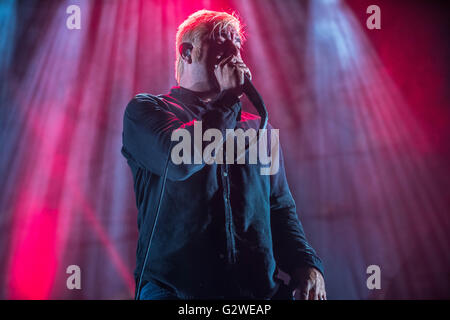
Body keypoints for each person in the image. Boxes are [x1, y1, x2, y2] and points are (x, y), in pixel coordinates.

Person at [121, 9, 326, 300]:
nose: (234, 57)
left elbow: (280, 208)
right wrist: (228, 102)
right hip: (177, 294)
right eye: (221, 45)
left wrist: (306, 264)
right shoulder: (147, 111)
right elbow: (181, 159)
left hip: (256, 294)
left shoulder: (259, 129)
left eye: (237, 48)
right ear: (187, 52)